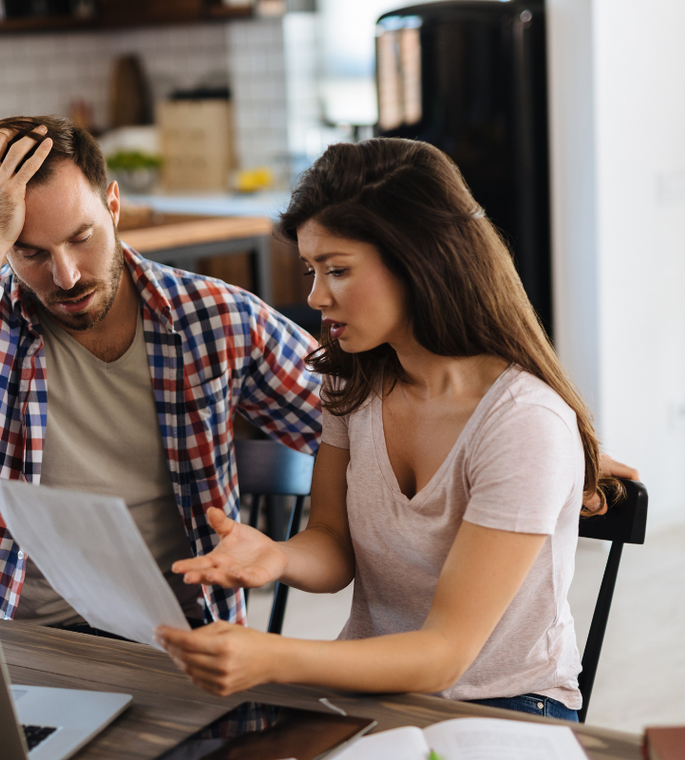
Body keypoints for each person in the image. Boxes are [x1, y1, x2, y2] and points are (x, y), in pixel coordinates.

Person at [156, 138, 640, 721]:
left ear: (419, 260)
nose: (315, 296)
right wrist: (277, 557)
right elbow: (333, 547)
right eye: (312, 270)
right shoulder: (352, 383)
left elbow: (444, 656)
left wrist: (275, 656)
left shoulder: (523, 424)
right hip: (373, 693)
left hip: (503, 705)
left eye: (337, 270)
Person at [0, 115, 321, 629]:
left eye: (81, 237)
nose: (66, 276)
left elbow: (355, 425)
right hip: (23, 640)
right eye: (30, 251)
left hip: (180, 637)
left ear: (113, 204)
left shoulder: (214, 318)